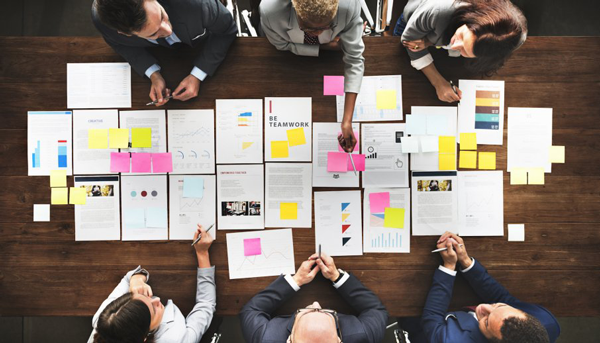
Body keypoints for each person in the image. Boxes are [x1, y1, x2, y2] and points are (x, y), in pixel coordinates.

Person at [400, 231, 560, 343]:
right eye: (498, 307)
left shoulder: (451, 340)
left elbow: (432, 317)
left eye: (486, 321)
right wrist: (465, 261)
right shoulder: (545, 321)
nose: (483, 307)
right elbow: (502, 298)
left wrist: (449, 266)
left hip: (427, 329)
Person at [259, 0, 365, 152]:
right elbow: (282, 45)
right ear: (295, 9)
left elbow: (354, 59)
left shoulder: (349, 6)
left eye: (325, 27)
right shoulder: (270, 12)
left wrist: (346, 121)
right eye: (308, 28)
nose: (318, 33)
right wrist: (329, 47)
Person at [92, 0, 237, 106]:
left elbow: (227, 29)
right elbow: (119, 44)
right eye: (153, 33)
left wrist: (198, 75)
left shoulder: (197, 5)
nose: (168, 31)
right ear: (125, 33)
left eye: (161, 16)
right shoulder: (103, 23)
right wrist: (153, 74)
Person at [88, 225, 216, 343]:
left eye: (146, 298)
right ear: (144, 338)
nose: (157, 300)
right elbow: (206, 305)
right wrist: (202, 254)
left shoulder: (106, 320)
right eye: (154, 311)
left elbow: (128, 278)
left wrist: (136, 279)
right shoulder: (176, 339)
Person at [393, 0, 527, 103]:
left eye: (464, 50)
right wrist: (439, 83)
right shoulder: (438, 10)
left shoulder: (513, 36)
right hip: (415, 20)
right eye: (462, 36)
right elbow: (409, 42)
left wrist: (430, 42)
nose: (454, 45)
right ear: (469, 20)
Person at [240, 252, 388, 343]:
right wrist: (336, 277)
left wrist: (296, 280)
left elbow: (252, 310)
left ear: (289, 340)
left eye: (307, 311)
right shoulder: (361, 335)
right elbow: (375, 309)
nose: (316, 303)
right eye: (325, 311)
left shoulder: (267, 338)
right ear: (339, 340)